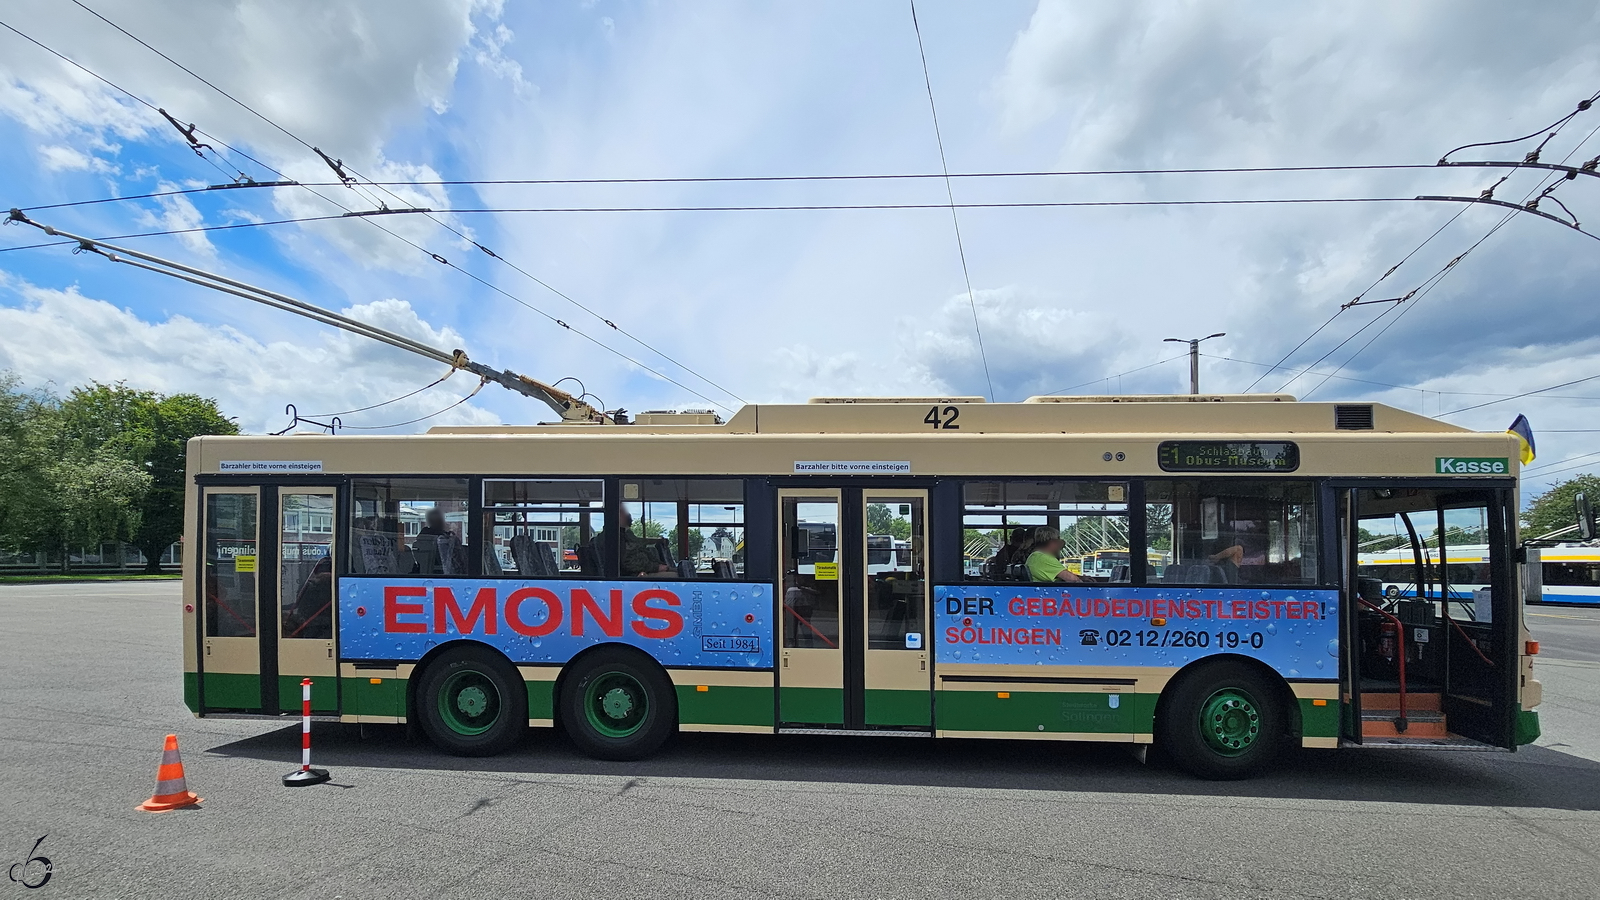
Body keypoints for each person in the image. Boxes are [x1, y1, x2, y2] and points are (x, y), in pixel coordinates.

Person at [594, 510, 673, 577]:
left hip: (644, 570)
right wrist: (656, 567)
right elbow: (627, 562)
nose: (627, 514)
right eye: (622, 512)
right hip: (634, 576)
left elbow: (638, 543)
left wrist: (658, 541)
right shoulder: (614, 537)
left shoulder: (623, 534)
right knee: (677, 577)